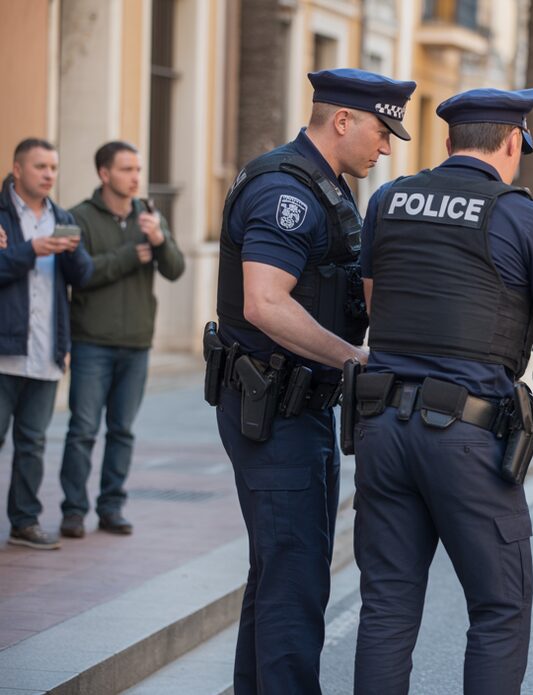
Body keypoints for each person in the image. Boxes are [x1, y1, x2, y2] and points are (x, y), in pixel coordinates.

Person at [351, 87, 533, 695]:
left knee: (387, 607)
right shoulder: (523, 215)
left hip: (381, 426)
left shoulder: (389, 199)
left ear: (449, 142)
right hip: (466, 437)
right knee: (500, 607)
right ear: (513, 144)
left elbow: (378, 306)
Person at [209, 68, 412, 694]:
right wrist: (354, 357)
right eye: (382, 131)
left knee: (278, 576)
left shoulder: (326, 184)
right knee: (294, 582)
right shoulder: (286, 191)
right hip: (273, 410)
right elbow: (266, 303)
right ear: (342, 121)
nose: (386, 147)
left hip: (297, 407)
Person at [58, 141, 186, 538]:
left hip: (135, 342)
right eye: (126, 169)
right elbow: (82, 274)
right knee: (82, 429)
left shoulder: (149, 216)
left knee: (122, 430)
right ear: (104, 174)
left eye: (137, 169)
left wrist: (160, 240)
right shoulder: (78, 217)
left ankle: (112, 507)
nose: (135, 177)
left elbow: (176, 269)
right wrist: (132, 254)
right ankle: (73, 511)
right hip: (91, 341)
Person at [0, 138, 93, 551]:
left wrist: (70, 253)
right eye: (40, 166)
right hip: (5, 351)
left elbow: (83, 276)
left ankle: (24, 522)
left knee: (33, 443)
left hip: (45, 351)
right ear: (17, 169)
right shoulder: (2, 216)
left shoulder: (62, 217)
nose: (49, 174)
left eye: (53, 167)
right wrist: (29, 250)